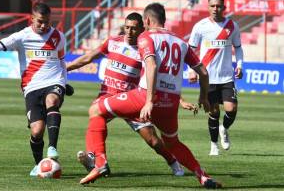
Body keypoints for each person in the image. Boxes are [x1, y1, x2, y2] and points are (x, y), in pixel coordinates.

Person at [78, 3, 222, 189]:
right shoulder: (181, 42)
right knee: (173, 143)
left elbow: (151, 66)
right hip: (170, 102)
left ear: (146, 20)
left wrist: (148, 101)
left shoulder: (146, 37)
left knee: (96, 109)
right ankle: (202, 176)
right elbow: (203, 71)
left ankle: (100, 163)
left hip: (145, 96)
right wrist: (204, 97)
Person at [67, 12, 199, 177]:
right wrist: (65, 68)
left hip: (132, 100)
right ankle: (97, 160)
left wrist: (180, 100)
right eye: (127, 27)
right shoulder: (112, 42)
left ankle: (172, 161)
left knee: (153, 140)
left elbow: (159, 80)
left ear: (142, 28)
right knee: (95, 115)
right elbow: (87, 58)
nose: (129, 32)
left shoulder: (145, 49)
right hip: (107, 96)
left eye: (134, 29)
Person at [0, 3, 68, 177]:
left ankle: (52, 148)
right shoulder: (22, 36)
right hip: (32, 87)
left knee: (52, 101)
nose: (44, 26)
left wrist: (64, 82)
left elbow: (62, 62)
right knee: (37, 131)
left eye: (47, 22)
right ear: (32, 18)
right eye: (40, 22)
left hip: (53, 81)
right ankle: (39, 165)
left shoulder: (58, 36)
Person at [188, 0, 243, 156]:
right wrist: (190, 70)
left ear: (224, 7)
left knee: (231, 109)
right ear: (208, 7)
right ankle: (213, 145)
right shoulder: (200, 26)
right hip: (208, 78)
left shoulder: (232, 26)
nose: (215, 9)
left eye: (218, 6)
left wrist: (239, 65)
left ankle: (224, 128)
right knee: (213, 112)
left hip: (226, 77)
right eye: (212, 6)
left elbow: (238, 47)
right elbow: (190, 50)